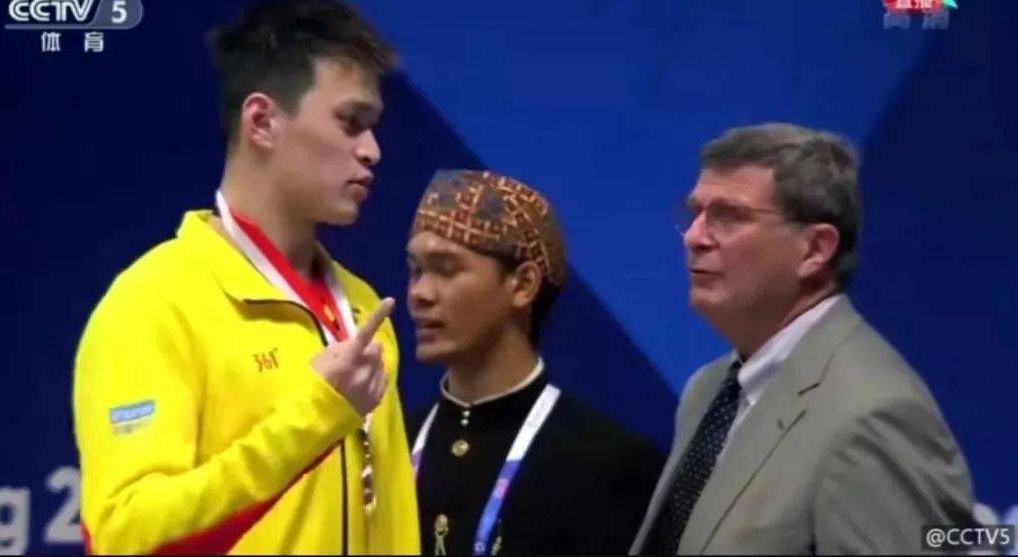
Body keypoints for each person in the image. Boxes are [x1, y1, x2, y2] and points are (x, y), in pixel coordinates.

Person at [71, 1, 419, 554]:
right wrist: (314, 417)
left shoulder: (362, 307)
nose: (372, 151)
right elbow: (126, 536)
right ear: (262, 122)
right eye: (350, 122)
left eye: (373, 127)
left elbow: (394, 522)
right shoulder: (154, 303)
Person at [630, 123, 975, 555]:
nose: (696, 237)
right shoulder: (709, 388)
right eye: (695, 213)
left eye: (729, 216)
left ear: (815, 249)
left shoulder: (876, 414)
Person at [404, 169, 665, 556]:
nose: (419, 293)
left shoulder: (604, 462)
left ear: (523, 285)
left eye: (446, 269)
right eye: (415, 270)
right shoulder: (395, 441)